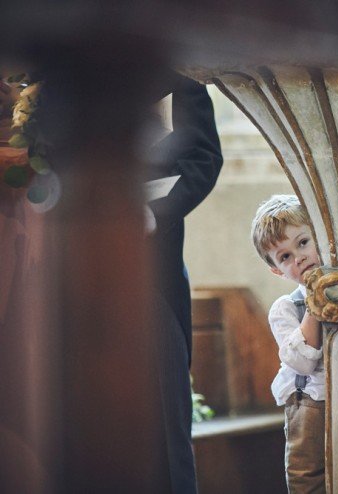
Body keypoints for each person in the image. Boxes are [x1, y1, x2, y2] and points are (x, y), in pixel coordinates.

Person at [146, 72, 223, 493]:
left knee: (161, 423)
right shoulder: (51, 73)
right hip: (49, 266)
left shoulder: (176, 69)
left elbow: (203, 157)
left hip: (149, 269)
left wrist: (152, 212)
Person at [251, 194, 326, 493]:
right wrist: (316, 301)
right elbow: (304, 362)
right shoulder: (285, 308)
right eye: (284, 257)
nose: (299, 257)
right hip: (308, 404)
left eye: (303, 242)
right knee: (307, 476)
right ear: (276, 271)